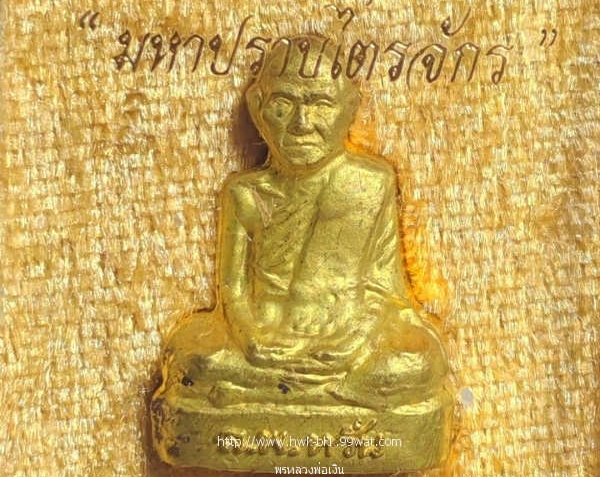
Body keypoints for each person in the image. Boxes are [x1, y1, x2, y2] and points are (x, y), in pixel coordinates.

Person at [154, 36, 449, 414]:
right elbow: (233, 291)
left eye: (321, 104)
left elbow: (385, 288)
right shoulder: (245, 193)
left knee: (416, 363)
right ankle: (322, 392)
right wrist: (250, 340)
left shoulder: (371, 183)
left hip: (345, 338)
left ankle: (260, 393)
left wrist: (357, 338)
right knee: (191, 359)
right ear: (257, 107)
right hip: (266, 338)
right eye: (283, 103)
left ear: (349, 109)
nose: (301, 124)